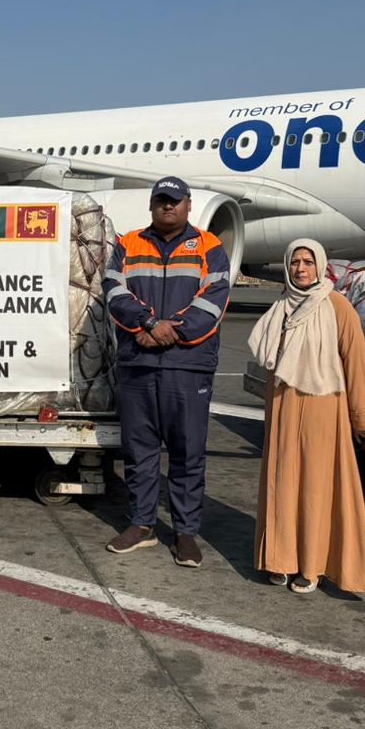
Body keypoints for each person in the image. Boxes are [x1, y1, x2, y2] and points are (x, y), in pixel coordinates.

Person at [101, 176, 230, 568]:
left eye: (174, 200)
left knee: (187, 452)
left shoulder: (210, 246)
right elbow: (112, 289)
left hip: (186, 365)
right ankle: (141, 525)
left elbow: (214, 297)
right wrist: (146, 323)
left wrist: (166, 331)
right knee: (139, 451)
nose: (167, 206)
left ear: (189, 205)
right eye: (160, 200)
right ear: (151, 205)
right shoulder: (129, 243)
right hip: (139, 362)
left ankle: (185, 532)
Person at [247, 239, 365, 595]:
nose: (301, 269)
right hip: (283, 404)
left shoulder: (337, 306)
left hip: (324, 406)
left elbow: (356, 363)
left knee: (315, 489)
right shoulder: (281, 307)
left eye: (307, 262)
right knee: (281, 482)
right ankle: (281, 559)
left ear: (319, 266)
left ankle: (311, 564)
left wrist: (362, 416)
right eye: (295, 262)